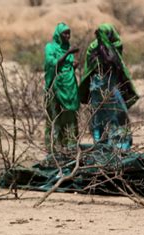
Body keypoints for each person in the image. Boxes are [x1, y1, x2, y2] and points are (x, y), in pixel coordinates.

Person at [78, 23, 139, 150]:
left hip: (102, 86)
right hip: (103, 87)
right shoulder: (97, 48)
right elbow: (94, 66)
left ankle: (111, 145)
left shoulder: (110, 47)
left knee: (110, 116)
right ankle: (111, 146)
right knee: (109, 115)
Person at [44, 22, 80, 151]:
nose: (68, 36)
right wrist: (68, 53)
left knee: (69, 117)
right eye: (65, 33)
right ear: (58, 34)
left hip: (69, 87)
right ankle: (53, 149)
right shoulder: (50, 47)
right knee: (55, 117)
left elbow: (67, 67)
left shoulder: (67, 47)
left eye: (69, 33)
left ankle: (69, 148)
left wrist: (73, 66)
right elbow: (52, 63)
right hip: (55, 87)